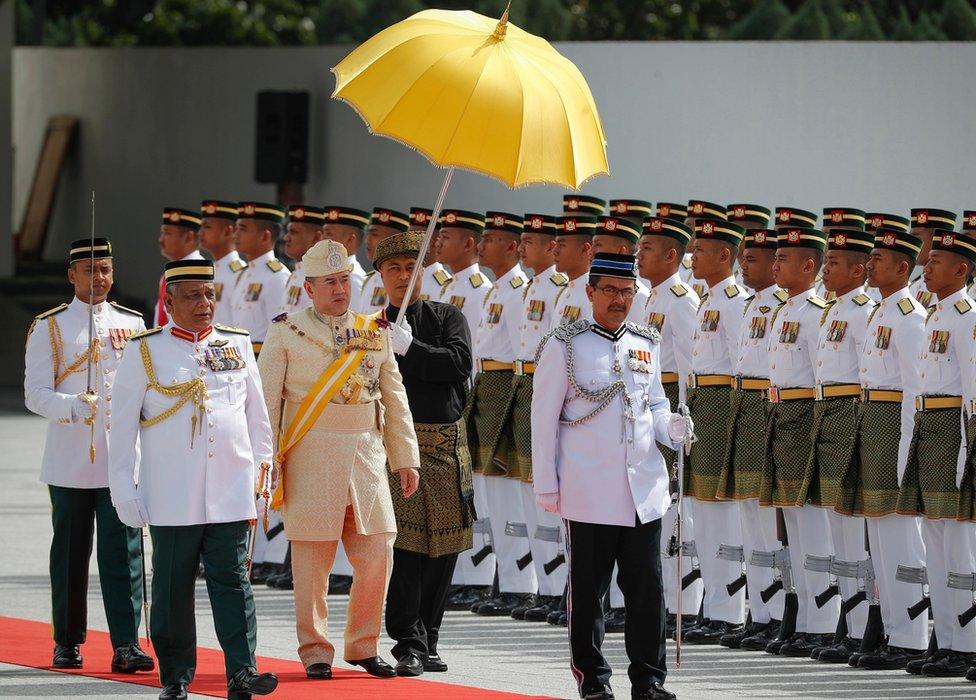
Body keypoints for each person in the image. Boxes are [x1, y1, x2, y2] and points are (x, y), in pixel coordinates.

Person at [109, 259, 278, 700]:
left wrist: (264, 476)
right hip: (172, 492)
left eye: (209, 295)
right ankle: (176, 676)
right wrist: (123, 490)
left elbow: (258, 420)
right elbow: (122, 428)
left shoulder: (236, 345)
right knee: (171, 588)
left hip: (229, 488)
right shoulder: (144, 350)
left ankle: (242, 672)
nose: (204, 304)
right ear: (168, 302)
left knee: (233, 582)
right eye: (192, 296)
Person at [257, 240, 421, 681]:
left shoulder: (374, 330)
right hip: (311, 453)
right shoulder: (285, 331)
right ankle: (315, 650)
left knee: (378, 551)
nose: (339, 289)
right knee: (312, 559)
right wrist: (266, 462)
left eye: (344, 280)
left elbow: (394, 397)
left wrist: (406, 457)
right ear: (308, 288)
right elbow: (267, 405)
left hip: (366, 454)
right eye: (329, 282)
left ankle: (364, 644)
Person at [532, 252, 685, 700]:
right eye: (610, 291)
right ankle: (594, 680)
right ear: (590, 292)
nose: (619, 300)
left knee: (647, 592)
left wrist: (672, 428)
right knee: (589, 594)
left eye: (626, 292)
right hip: (588, 489)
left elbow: (654, 403)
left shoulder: (647, 341)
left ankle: (649, 680)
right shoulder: (564, 345)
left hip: (643, 488)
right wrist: (546, 484)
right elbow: (543, 420)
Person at [24, 237, 152, 673]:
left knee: (124, 555)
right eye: (89, 270)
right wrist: (70, 405)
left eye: (105, 270)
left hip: (119, 459)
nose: (98, 278)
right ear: (71, 275)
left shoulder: (132, 323)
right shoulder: (52, 326)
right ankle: (67, 640)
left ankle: (126, 644)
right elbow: (34, 393)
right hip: (71, 458)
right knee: (71, 554)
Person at [375, 231, 476, 676]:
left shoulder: (446, 316)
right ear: (379, 274)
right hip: (401, 447)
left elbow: (458, 364)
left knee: (444, 551)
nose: (402, 276)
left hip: (447, 446)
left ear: (426, 272)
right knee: (408, 550)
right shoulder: (371, 326)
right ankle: (407, 642)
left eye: (410, 267)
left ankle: (430, 638)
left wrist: (410, 349)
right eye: (393, 268)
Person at [842, 228, 929, 670]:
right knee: (878, 532)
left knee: (899, 534)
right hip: (872, 420)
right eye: (870, 257)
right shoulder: (881, 311)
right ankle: (892, 628)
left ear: (902, 267)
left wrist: (907, 449)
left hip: (894, 423)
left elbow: (916, 389)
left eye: (879, 259)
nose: (870, 265)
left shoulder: (910, 316)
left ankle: (912, 633)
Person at [896, 228, 976, 677]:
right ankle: (945, 639)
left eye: (938, 263)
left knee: (960, 543)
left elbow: (971, 390)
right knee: (937, 540)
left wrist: (967, 450)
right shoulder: (934, 315)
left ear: (962, 270)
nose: (928, 267)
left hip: (954, 432)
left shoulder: (966, 316)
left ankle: (968, 642)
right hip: (930, 428)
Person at [759, 226, 839, 657]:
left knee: (813, 523)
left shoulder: (814, 312)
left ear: (809, 265)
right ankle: (805, 615)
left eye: (784, 259)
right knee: (791, 522)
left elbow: (820, 378)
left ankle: (823, 622)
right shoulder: (785, 310)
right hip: (780, 416)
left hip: (805, 417)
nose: (775, 264)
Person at [799, 228, 875, 663]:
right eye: (826, 260)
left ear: (858, 270)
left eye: (834, 262)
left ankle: (864, 621)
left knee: (853, 524)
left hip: (851, 413)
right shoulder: (831, 310)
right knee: (834, 521)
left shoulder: (864, 311)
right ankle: (848, 620)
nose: (826, 269)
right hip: (825, 412)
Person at [714, 227, 787, 651]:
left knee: (768, 518)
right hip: (743, 406)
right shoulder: (753, 304)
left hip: (766, 407)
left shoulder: (779, 305)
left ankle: (778, 612)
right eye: (747, 257)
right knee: (748, 515)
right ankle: (759, 613)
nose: (747, 264)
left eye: (758, 259)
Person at [682, 218, 748, 644]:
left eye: (701, 249)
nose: (693, 254)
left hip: (724, 404)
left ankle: (730, 609)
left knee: (722, 511)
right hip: (702, 401)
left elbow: (742, 367)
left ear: (724, 255)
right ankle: (714, 605)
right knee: (702, 509)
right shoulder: (708, 299)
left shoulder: (734, 301)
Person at [637, 216, 705, 640]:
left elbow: (689, 366)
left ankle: (685, 605)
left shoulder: (681, 300)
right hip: (646, 412)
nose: (638, 255)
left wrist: (679, 419)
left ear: (671, 256)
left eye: (647, 249)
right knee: (654, 504)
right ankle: (658, 601)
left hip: (669, 415)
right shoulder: (647, 298)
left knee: (677, 509)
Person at [467, 212, 535, 617]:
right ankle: (505, 580)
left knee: (514, 492)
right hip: (489, 387)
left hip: (511, 389)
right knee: (493, 492)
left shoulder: (516, 290)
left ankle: (522, 584)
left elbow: (520, 355)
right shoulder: (497, 289)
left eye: (490, 238)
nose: (482, 245)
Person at [511, 213, 568, 624]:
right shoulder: (537, 287)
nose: (520, 248)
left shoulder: (561, 289)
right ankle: (543, 587)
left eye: (530, 241)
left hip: (554, 387)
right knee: (525, 491)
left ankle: (557, 585)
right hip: (524, 382)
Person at [229, 201, 290, 357]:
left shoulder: (277, 276)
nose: (235, 235)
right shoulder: (242, 274)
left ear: (265, 236)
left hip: (261, 360)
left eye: (243, 230)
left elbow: (281, 333)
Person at [435, 209, 492, 335]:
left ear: (468, 244)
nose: (438, 243)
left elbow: (475, 344)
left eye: (445, 237)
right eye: (439, 237)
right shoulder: (449, 285)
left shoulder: (481, 290)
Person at [591, 213, 649, 324]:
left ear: (621, 251)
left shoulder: (637, 297)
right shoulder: (591, 286)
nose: (591, 251)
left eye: (598, 245)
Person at [199, 199, 247, 325]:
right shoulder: (209, 271)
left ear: (228, 231)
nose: (201, 232)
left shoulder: (240, 273)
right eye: (201, 227)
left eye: (207, 227)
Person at [155, 207, 204, 326]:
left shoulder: (202, 273)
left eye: (167, 233)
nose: (160, 239)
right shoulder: (169, 273)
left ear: (189, 237)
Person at [358, 208, 410, 314]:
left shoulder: (403, 280)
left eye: (375, 235)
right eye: (368, 234)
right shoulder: (369, 279)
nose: (367, 240)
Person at [552, 209, 597, 328]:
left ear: (585, 249)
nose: (555, 251)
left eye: (561, 245)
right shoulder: (563, 292)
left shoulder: (594, 296)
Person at [279, 204, 325, 315]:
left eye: (293, 232)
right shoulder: (295, 274)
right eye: (287, 231)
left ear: (316, 237)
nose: (286, 237)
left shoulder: (322, 278)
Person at [322, 205, 370, 311]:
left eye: (329, 234)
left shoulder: (354, 280)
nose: (322, 238)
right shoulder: (324, 272)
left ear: (350, 239)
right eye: (323, 233)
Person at [908, 209, 958, 307]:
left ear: (936, 239)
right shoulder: (915, 285)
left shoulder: (950, 286)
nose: (911, 243)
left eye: (916, 237)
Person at [408, 207, 453, 301]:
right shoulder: (403, 277)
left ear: (433, 242)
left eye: (415, 238)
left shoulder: (443, 284)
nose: (408, 243)